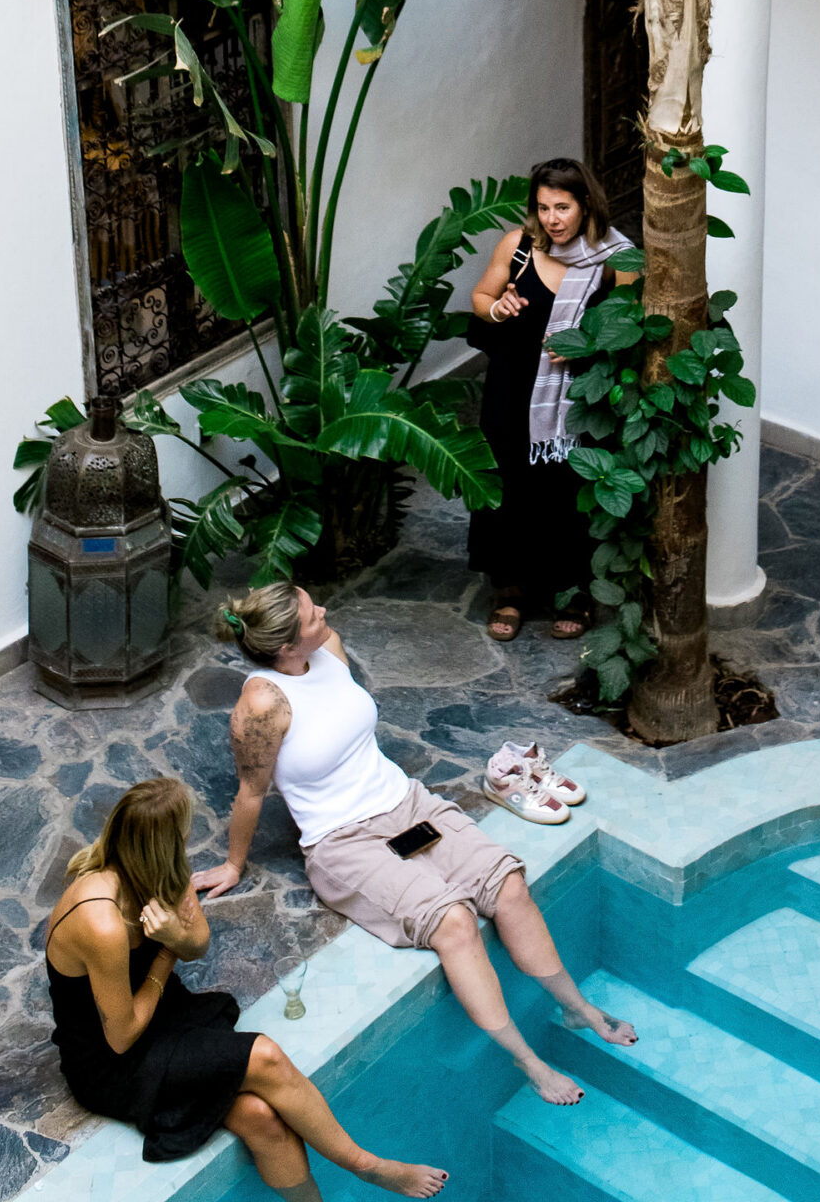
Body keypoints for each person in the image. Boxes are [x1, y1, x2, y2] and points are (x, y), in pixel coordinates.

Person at [194, 582, 637, 1107]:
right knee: (453, 922)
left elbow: (342, 710)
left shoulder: (326, 649)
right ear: (286, 646)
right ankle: (528, 1061)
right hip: (342, 840)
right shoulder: (262, 702)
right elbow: (251, 790)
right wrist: (232, 863)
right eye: (313, 615)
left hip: (407, 805)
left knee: (508, 886)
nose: (325, 612)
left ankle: (576, 1007)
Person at [44, 775, 445, 1197]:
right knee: (265, 1056)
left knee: (260, 1117)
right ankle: (366, 1165)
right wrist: (165, 952)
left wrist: (175, 940)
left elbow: (196, 942)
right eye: (182, 835)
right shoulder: (100, 921)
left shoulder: (159, 870)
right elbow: (122, 1037)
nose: (186, 842)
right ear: (162, 842)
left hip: (160, 1016)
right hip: (112, 1061)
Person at [466, 157, 633, 641]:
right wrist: (498, 308)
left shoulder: (615, 260)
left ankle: (571, 590)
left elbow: (628, 329)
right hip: (511, 390)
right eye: (542, 208)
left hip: (575, 399)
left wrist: (590, 346)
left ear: (586, 205)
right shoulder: (517, 247)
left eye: (562, 207)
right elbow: (480, 297)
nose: (551, 219)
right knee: (510, 485)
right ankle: (510, 590)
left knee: (566, 492)